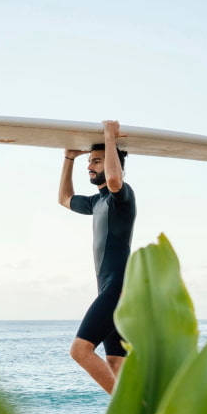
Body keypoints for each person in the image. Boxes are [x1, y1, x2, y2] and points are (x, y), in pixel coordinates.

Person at [58, 120, 136, 393]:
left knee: (80, 350)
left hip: (118, 286)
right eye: (90, 162)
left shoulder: (122, 197)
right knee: (116, 363)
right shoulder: (96, 202)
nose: (90, 166)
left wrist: (110, 137)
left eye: (97, 161)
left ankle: (127, 413)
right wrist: (69, 158)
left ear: (114, 163)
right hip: (111, 287)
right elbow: (64, 198)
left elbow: (115, 179)